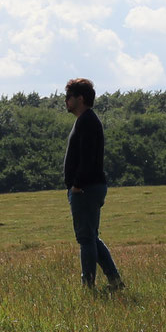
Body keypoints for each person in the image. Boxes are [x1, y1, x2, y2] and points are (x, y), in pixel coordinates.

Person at [61, 77, 122, 291]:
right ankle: (115, 281)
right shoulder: (86, 120)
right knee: (91, 237)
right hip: (87, 187)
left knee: (85, 238)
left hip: (85, 188)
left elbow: (87, 158)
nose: (66, 101)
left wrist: (77, 185)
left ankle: (88, 286)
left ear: (80, 98)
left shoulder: (87, 121)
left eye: (69, 97)